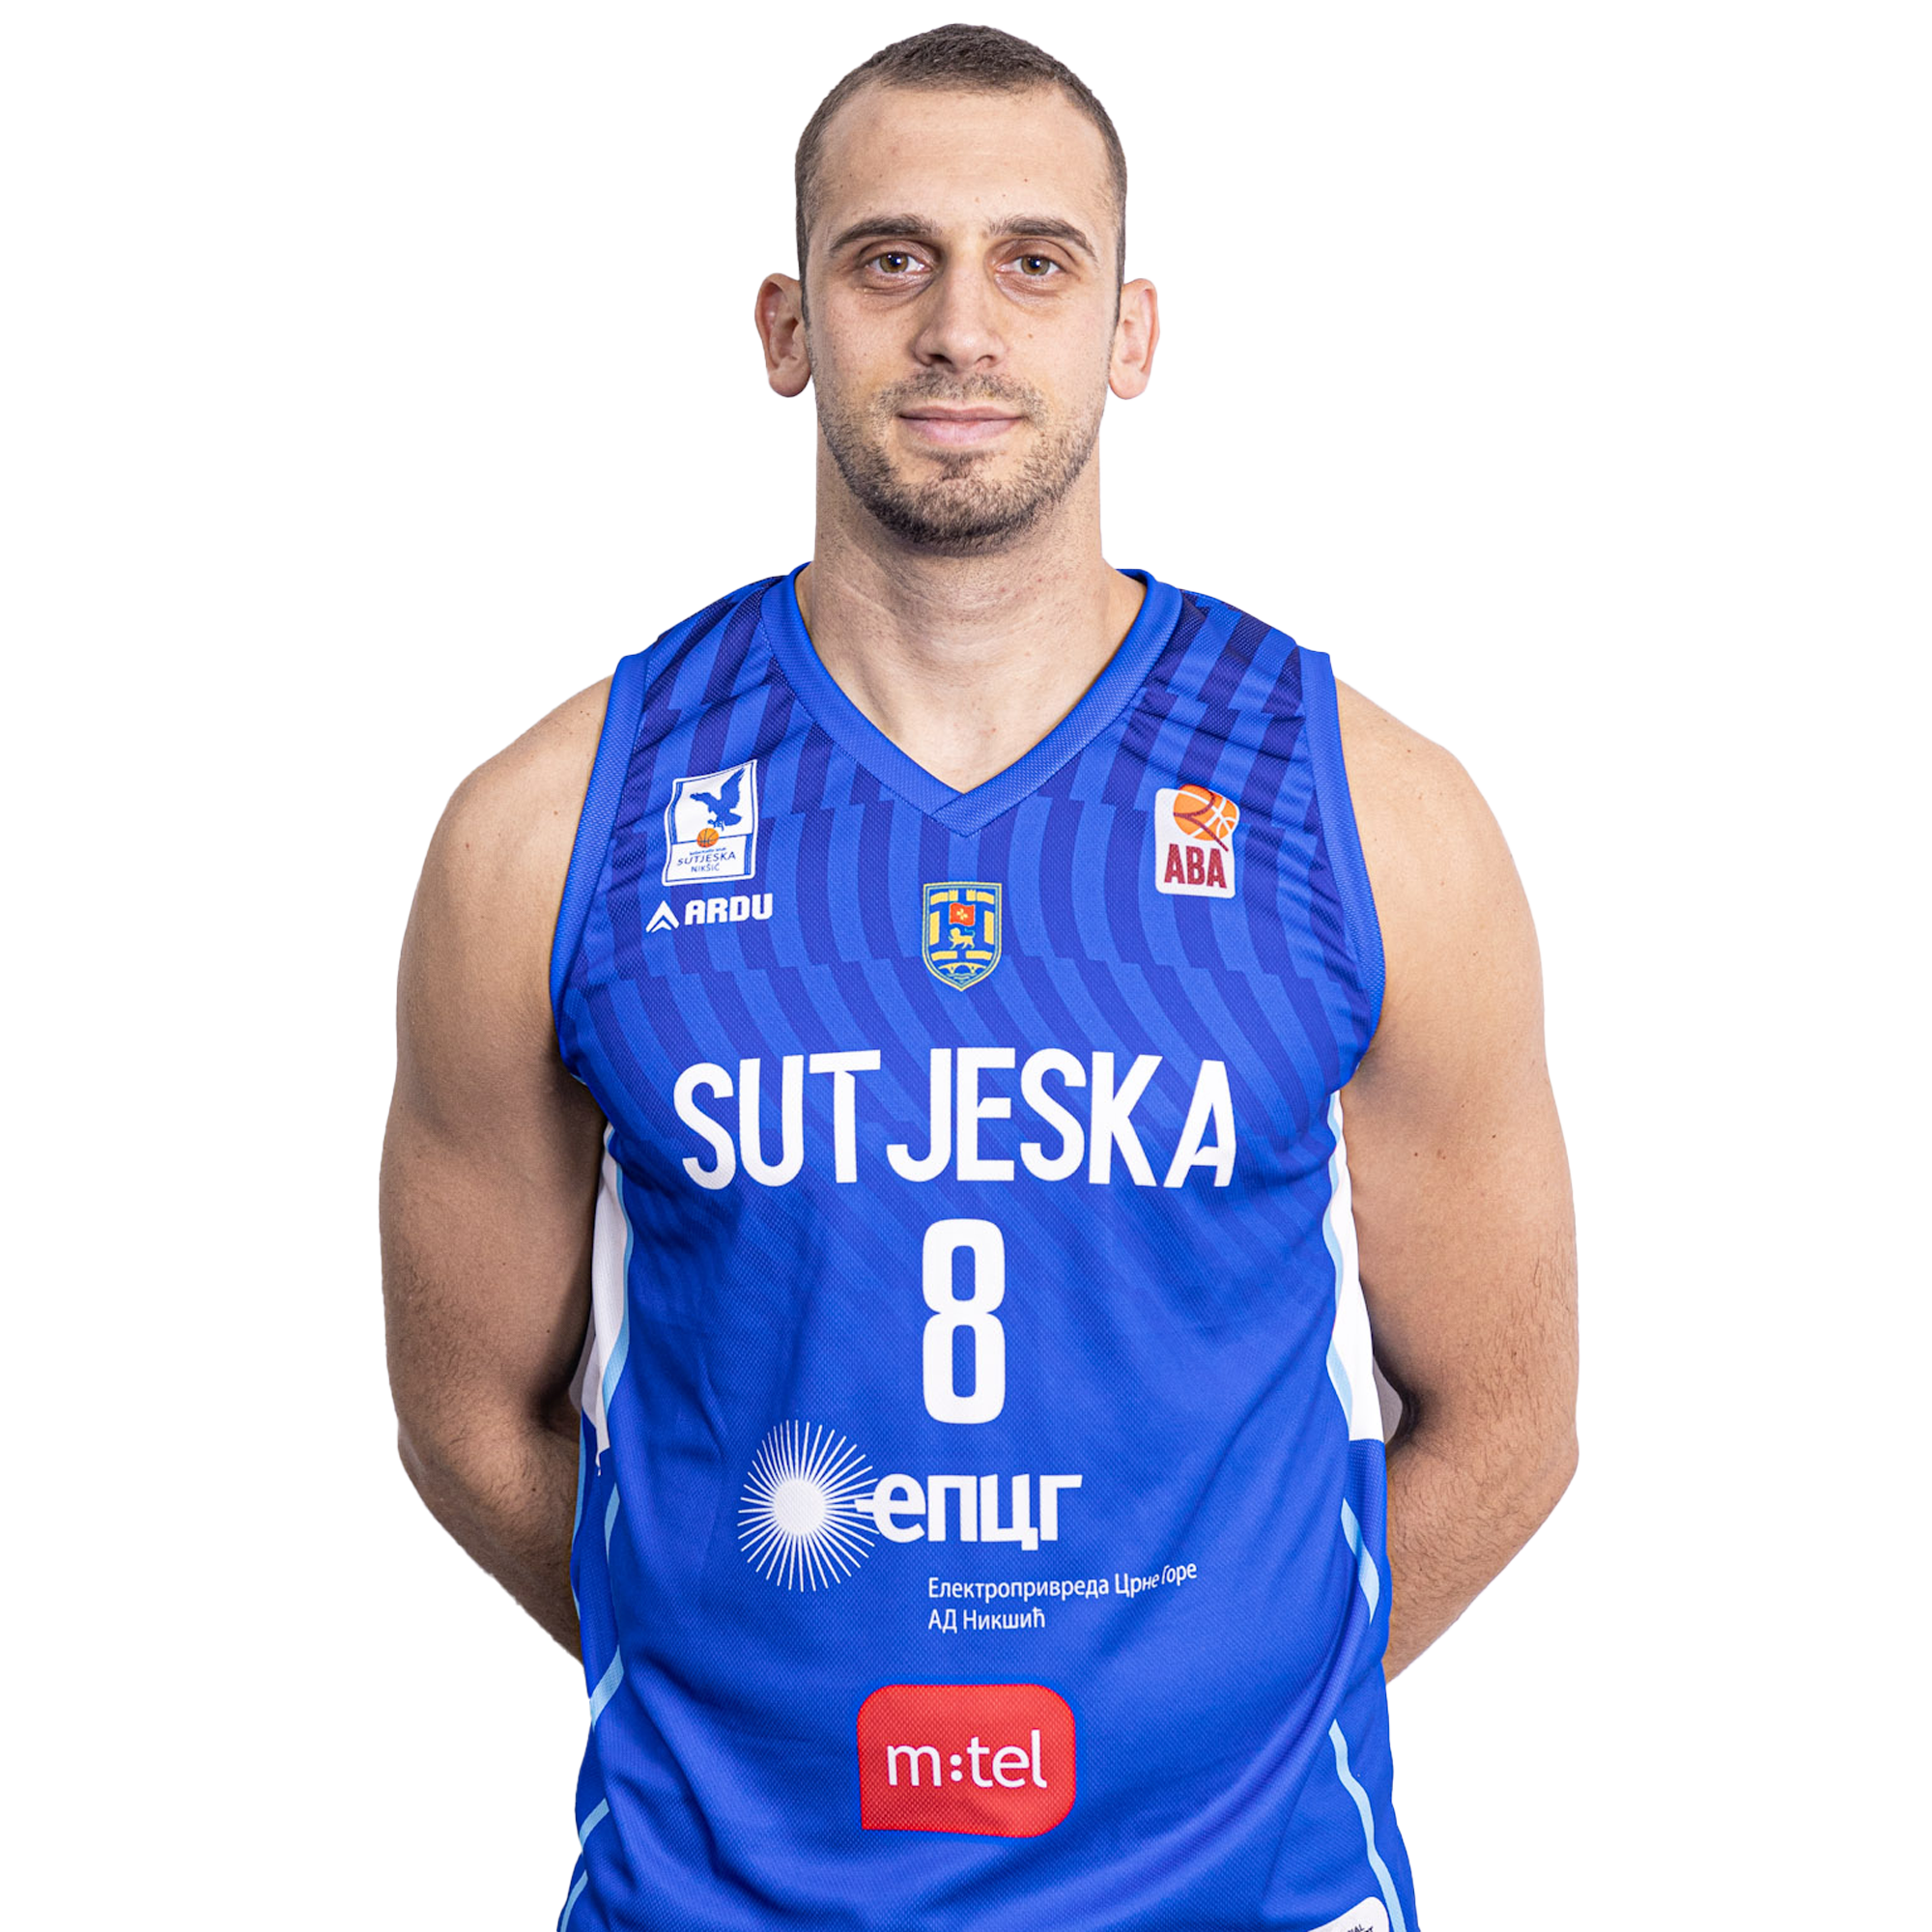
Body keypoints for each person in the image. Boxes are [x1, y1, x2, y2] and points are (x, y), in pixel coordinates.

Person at [380, 21, 1577, 1931]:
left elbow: (1509, 1420)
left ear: (1128, 333)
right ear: (788, 327)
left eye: (1035, 262)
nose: (960, 327)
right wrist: (723, 1685)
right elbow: (463, 1412)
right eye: (891, 259)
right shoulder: (552, 827)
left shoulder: (1367, 811)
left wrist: (1223, 1740)